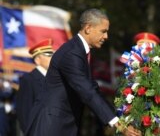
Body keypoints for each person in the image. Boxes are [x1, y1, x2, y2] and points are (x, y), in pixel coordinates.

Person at [25, 8, 141, 136]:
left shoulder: (80, 51)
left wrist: (120, 118)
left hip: (62, 124)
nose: (106, 36)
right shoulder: (72, 53)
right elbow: (87, 91)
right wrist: (117, 124)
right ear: (88, 28)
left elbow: (93, 89)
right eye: (103, 31)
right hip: (51, 126)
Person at [15, 38, 54, 133]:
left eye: (53, 54)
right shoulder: (29, 79)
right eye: (48, 55)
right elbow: (24, 112)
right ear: (37, 60)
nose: (52, 58)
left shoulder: (55, 79)